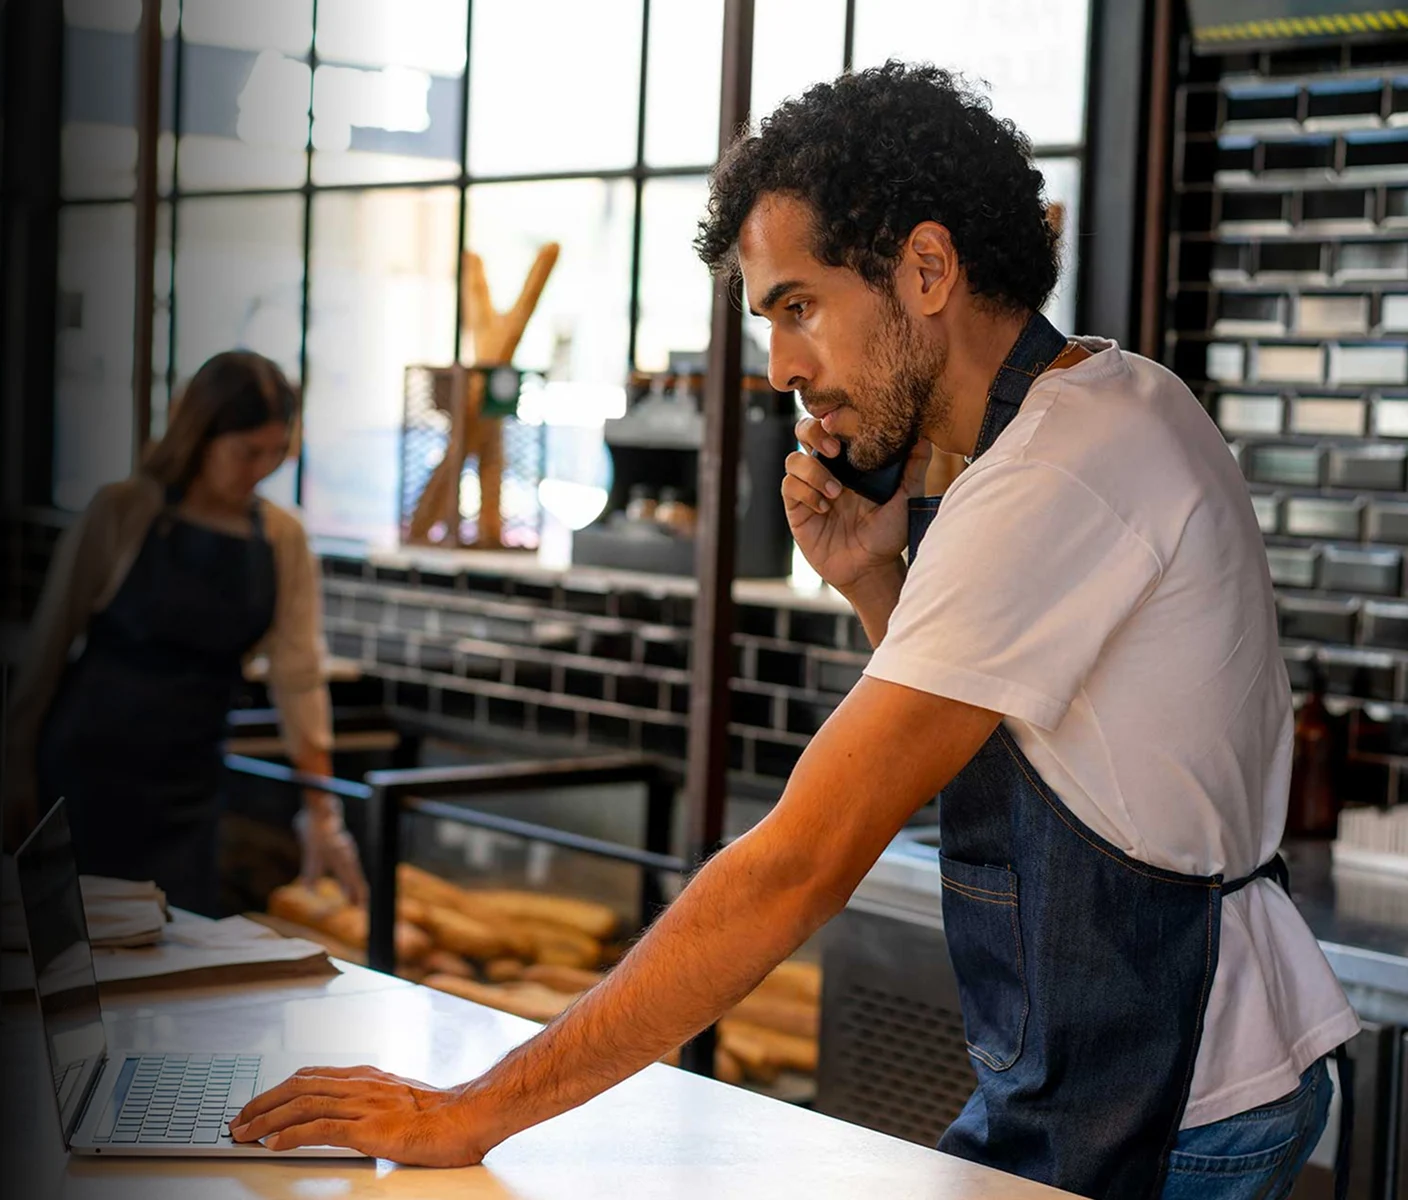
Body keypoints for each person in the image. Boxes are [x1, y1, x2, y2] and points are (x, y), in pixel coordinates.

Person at [230, 64, 1358, 1199]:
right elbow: (1056, 754)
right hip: (1132, 1082)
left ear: (926, 268)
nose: (782, 370)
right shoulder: (1106, 410)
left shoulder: (1057, 470)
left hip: (1175, 1104)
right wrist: (879, 584)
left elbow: (799, 864)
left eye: (800, 306)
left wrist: (470, 1110)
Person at [6, 351, 366, 915]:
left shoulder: (282, 537)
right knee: (71, 958)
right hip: (84, 772)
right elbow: (46, 650)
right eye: (248, 452)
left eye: (276, 453)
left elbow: (299, 680)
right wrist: (13, 769)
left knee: (171, 952)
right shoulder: (123, 511)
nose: (262, 468)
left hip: (189, 784)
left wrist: (322, 812)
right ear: (201, 434)